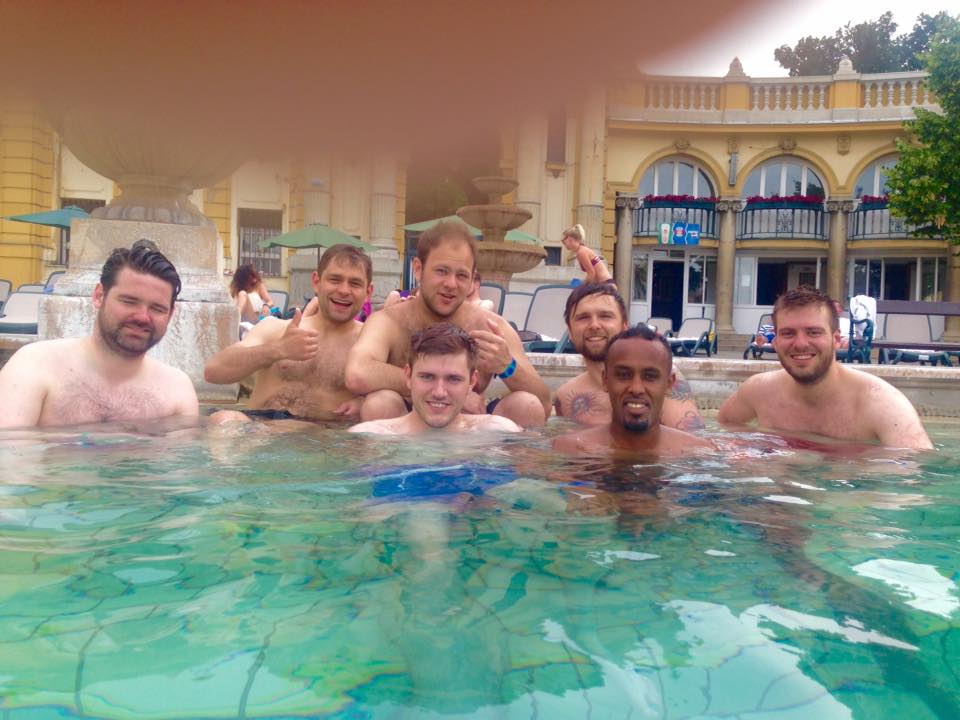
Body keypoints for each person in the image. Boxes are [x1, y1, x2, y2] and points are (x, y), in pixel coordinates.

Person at [345, 221, 551, 428]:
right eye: (441, 271)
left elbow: (544, 405)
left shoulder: (489, 326)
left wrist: (507, 366)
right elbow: (357, 373)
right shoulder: (390, 322)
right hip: (409, 425)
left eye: (461, 275)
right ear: (418, 269)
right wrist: (453, 392)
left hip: (471, 430)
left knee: (527, 406)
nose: (451, 284)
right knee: (380, 403)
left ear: (472, 278)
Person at [0, 240, 199, 428]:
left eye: (157, 308)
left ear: (170, 314)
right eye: (129, 301)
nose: (142, 317)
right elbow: (9, 448)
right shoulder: (35, 365)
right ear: (99, 296)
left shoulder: (176, 391)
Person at [718, 286, 933, 450]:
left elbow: (913, 476)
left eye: (813, 332)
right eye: (788, 333)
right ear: (775, 342)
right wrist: (752, 448)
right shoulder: (759, 391)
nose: (800, 343)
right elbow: (726, 423)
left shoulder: (882, 404)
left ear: (836, 339)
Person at [205, 244, 373, 421]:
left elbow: (395, 390)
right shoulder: (276, 328)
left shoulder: (371, 342)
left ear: (368, 292)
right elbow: (214, 372)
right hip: (259, 430)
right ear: (316, 282)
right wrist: (278, 349)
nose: (344, 290)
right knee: (224, 419)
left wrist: (366, 402)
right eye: (335, 280)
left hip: (326, 434)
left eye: (355, 283)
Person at [553, 282, 704, 430]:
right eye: (583, 317)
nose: (594, 325)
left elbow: (690, 441)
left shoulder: (658, 379)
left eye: (605, 316)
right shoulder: (566, 396)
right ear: (570, 331)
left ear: (625, 326)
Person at [553, 325, 713, 456]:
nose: (636, 389)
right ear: (606, 381)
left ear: (669, 384)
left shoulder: (697, 452)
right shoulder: (570, 449)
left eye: (650, 376)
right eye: (624, 375)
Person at [350, 323, 521, 435]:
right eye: (427, 377)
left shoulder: (497, 432)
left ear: (472, 382)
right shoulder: (372, 437)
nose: (439, 392)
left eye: (453, 379)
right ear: (408, 376)